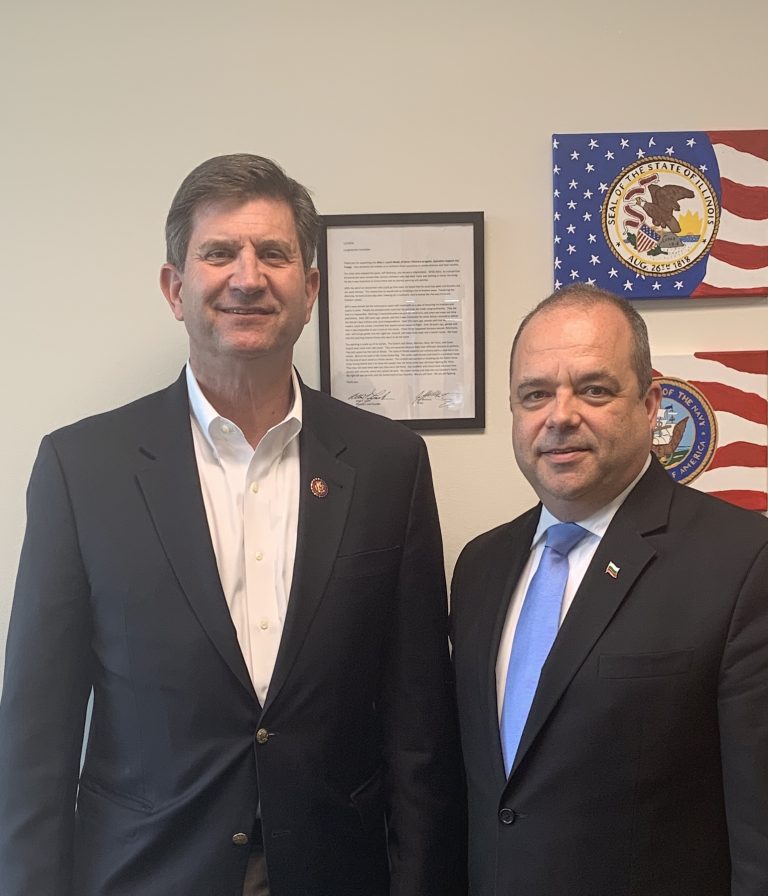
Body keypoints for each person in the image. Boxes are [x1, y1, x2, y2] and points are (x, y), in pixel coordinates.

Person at [0, 154, 466, 896]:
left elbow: (419, 728)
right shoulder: (80, 469)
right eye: (219, 253)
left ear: (310, 290)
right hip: (146, 875)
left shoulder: (390, 465)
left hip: (339, 872)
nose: (248, 278)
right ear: (175, 288)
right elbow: (36, 737)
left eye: (274, 254)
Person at [450, 283, 768, 895]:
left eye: (594, 389)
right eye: (535, 394)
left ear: (650, 405)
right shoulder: (480, 567)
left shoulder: (744, 562)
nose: (560, 415)